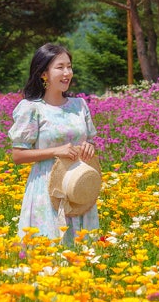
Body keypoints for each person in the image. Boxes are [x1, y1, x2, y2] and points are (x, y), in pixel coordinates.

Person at [8, 43, 98, 243]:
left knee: (83, 253)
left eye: (69, 66)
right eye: (60, 67)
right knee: (49, 252)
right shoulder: (31, 108)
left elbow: (89, 141)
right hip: (48, 188)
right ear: (43, 74)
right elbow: (18, 155)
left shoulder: (79, 105)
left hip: (79, 186)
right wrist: (56, 151)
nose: (67, 72)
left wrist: (89, 147)